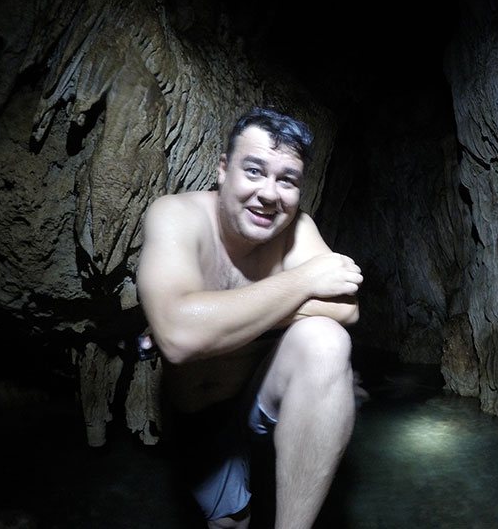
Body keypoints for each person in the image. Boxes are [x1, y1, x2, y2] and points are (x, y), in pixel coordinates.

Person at [136, 107, 364, 529]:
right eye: (254, 171)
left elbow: (345, 308)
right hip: (199, 417)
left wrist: (213, 314)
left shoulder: (297, 229)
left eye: (287, 180)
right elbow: (180, 336)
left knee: (326, 341)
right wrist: (303, 280)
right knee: (231, 524)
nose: (269, 193)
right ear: (223, 170)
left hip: (261, 394)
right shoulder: (177, 216)